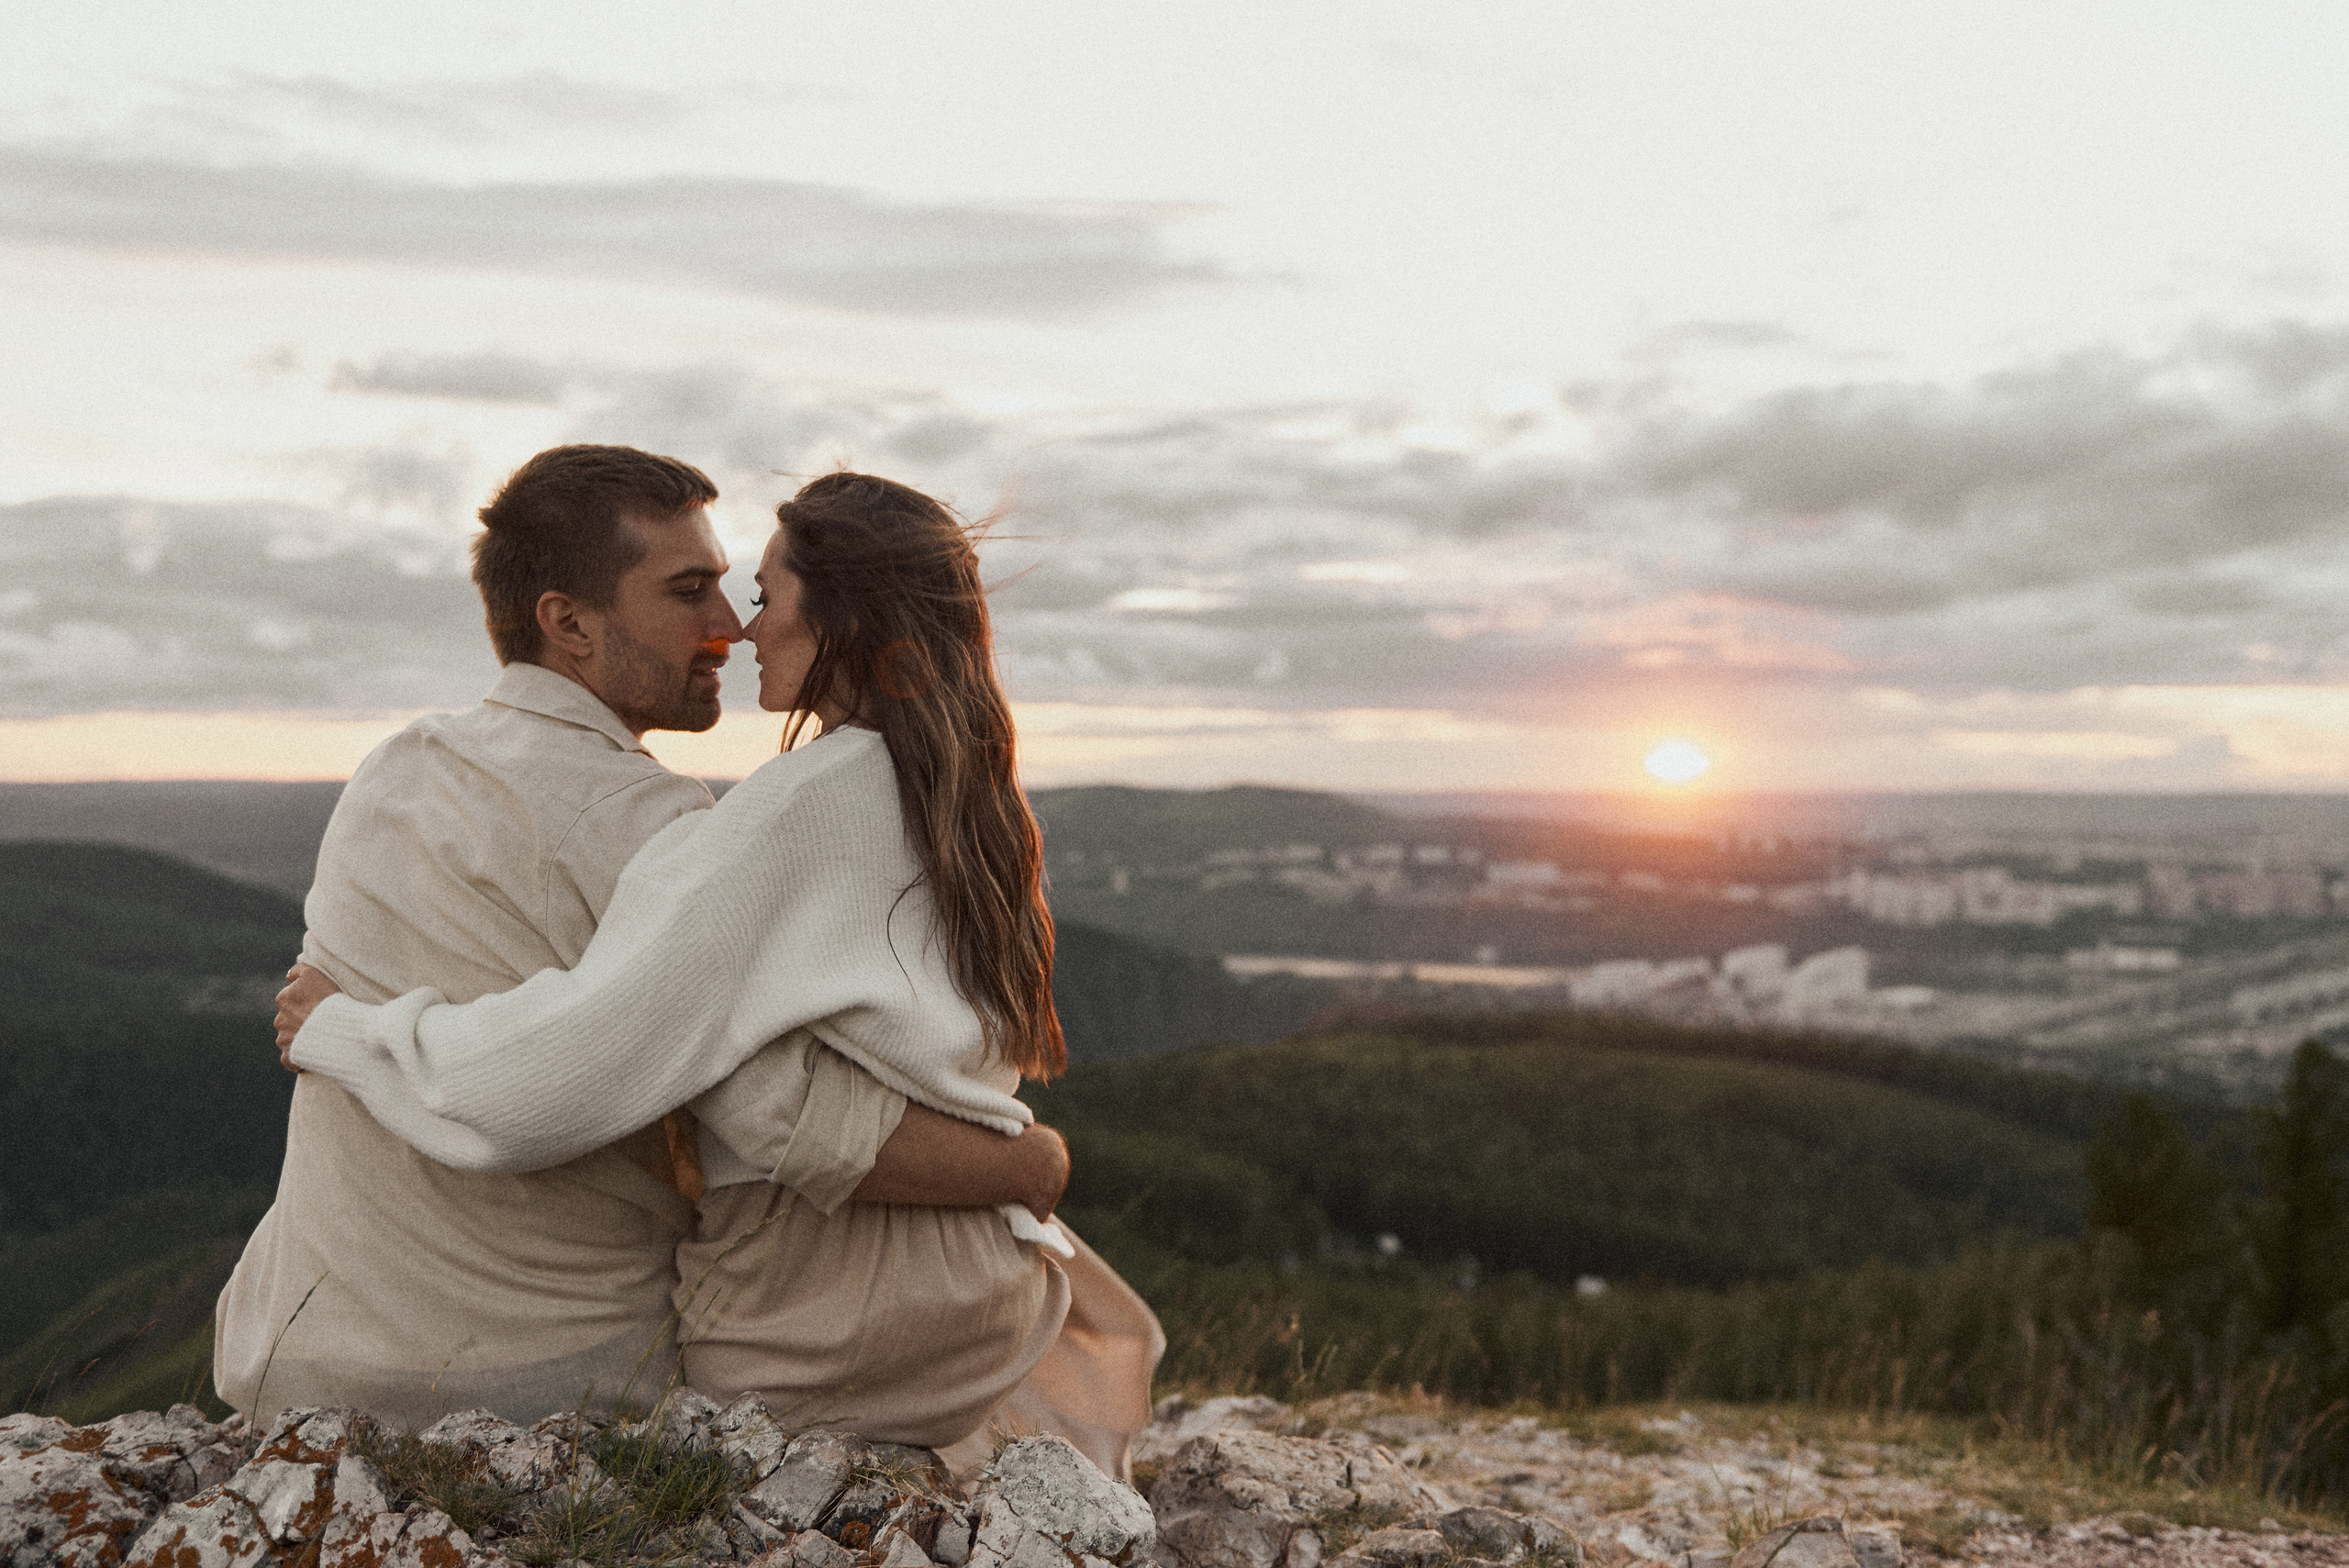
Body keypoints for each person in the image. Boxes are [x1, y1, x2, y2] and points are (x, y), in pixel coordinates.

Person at [277, 472, 1163, 1476]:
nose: (736, 631)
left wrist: (341, 1029)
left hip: (819, 1306)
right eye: (696, 591)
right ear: (565, 622)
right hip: (977, 1279)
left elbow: (556, 1080)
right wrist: (1024, 1161)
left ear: (848, 624)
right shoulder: (954, 790)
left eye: (759, 595)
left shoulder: (765, 814)